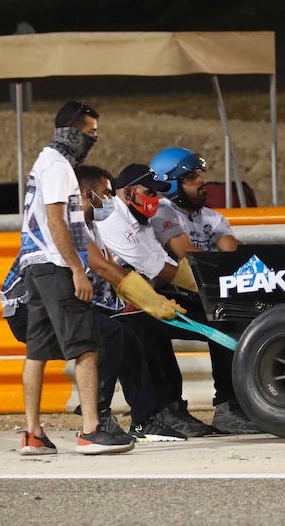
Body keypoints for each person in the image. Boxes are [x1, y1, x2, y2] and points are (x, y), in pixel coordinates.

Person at [1, 165, 189, 443]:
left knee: (129, 334)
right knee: (109, 334)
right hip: (27, 309)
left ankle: (145, 419)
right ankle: (96, 420)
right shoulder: (69, 220)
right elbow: (103, 267)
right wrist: (152, 301)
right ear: (87, 195)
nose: (111, 201)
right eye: (107, 194)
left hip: (59, 301)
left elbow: (113, 274)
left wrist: (145, 301)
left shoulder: (91, 227)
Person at [13, 101, 133, 455]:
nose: (93, 140)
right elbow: (56, 222)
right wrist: (78, 270)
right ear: (72, 131)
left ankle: (33, 435)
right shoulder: (58, 166)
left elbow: (73, 224)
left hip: (35, 264)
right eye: (90, 132)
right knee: (86, 346)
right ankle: (90, 431)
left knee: (37, 351)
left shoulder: (47, 163)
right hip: (54, 265)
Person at [95, 163, 216, 437]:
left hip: (133, 299)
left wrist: (209, 290)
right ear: (127, 193)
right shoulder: (112, 221)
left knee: (215, 314)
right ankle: (156, 414)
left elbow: (165, 263)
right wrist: (207, 285)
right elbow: (153, 265)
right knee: (143, 329)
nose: (157, 200)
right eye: (150, 192)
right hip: (112, 305)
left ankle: (195, 408)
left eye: (159, 193)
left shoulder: (142, 220)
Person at [148, 147, 260, 435]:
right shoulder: (162, 211)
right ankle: (169, 410)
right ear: (171, 184)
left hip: (197, 295)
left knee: (231, 319)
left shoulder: (212, 217)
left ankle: (231, 407)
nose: (201, 181)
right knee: (215, 321)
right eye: (191, 176)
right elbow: (186, 255)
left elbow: (231, 252)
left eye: (199, 174)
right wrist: (222, 260)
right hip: (157, 298)